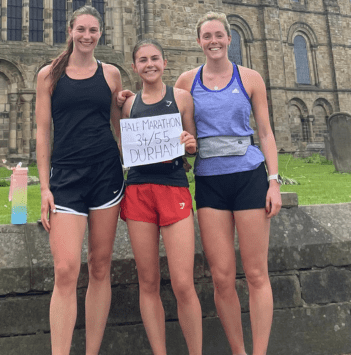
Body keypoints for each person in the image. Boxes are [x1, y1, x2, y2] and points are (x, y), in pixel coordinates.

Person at [174, 12, 282, 355]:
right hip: (209, 182)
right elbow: (161, 118)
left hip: (249, 177)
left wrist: (273, 181)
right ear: (199, 42)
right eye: (207, 36)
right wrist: (125, 103)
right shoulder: (186, 81)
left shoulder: (249, 77)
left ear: (229, 39)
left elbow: (264, 131)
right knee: (222, 278)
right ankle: (238, 350)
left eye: (219, 35)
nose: (214, 41)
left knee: (255, 274)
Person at [35, 6, 124, 355]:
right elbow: (43, 133)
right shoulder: (49, 75)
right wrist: (44, 187)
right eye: (81, 29)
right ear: (70, 31)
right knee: (66, 269)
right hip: (67, 178)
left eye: (94, 30)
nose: (88, 36)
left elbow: (121, 128)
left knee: (100, 266)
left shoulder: (112, 74)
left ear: (101, 33)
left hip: (106, 176)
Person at [120, 39, 202, 355]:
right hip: (139, 190)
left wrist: (190, 143)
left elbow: (193, 146)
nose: (150, 64)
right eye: (143, 60)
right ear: (135, 66)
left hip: (173, 187)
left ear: (164, 63)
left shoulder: (181, 98)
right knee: (148, 283)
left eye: (155, 58)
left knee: (183, 283)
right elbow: (124, 146)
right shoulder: (128, 105)